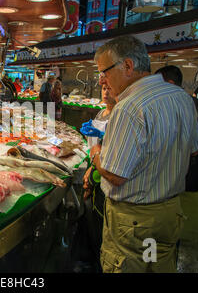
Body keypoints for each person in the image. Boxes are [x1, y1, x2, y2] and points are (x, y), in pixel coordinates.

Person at [84, 35, 198, 273]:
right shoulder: (182, 98)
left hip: (134, 221)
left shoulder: (128, 107)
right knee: (158, 266)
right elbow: (195, 148)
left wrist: (95, 148)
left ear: (128, 66)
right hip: (169, 214)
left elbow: (115, 175)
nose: (102, 81)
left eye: (104, 72)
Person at [77, 84, 117, 273]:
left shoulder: (120, 116)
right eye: (103, 89)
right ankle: (88, 257)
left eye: (109, 88)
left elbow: (108, 155)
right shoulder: (100, 114)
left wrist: (91, 172)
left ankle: (99, 261)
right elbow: (92, 146)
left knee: (101, 222)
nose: (106, 92)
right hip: (93, 168)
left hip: (104, 176)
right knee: (88, 217)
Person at [155, 65, 198, 192]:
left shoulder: (187, 103)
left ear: (170, 83)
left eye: (157, 84)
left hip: (189, 164)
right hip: (181, 164)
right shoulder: (187, 101)